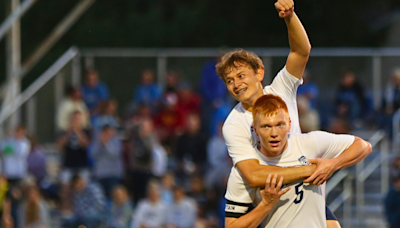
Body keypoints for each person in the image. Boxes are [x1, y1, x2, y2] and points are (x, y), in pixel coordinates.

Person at [214, 0, 359, 226]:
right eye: (229, 81)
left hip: (302, 182)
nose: (236, 84)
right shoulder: (233, 124)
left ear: (259, 73)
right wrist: (310, 169)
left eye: (241, 75)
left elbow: (301, 51)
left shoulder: (281, 89)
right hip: (271, 192)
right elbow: (253, 176)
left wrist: (290, 16)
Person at [224, 94, 371, 227]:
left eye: (279, 125)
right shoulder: (245, 171)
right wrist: (266, 205)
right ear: (255, 130)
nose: (274, 133)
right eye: (266, 127)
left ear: (289, 124)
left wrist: (332, 164)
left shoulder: (310, 143)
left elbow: (363, 146)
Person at [91, 125, 123, 199]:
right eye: (104, 132)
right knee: (100, 197)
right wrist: (100, 144)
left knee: (113, 197)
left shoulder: (117, 141)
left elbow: (114, 154)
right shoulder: (97, 142)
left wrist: (106, 143)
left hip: (113, 174)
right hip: (100, 174)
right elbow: (93, 154)